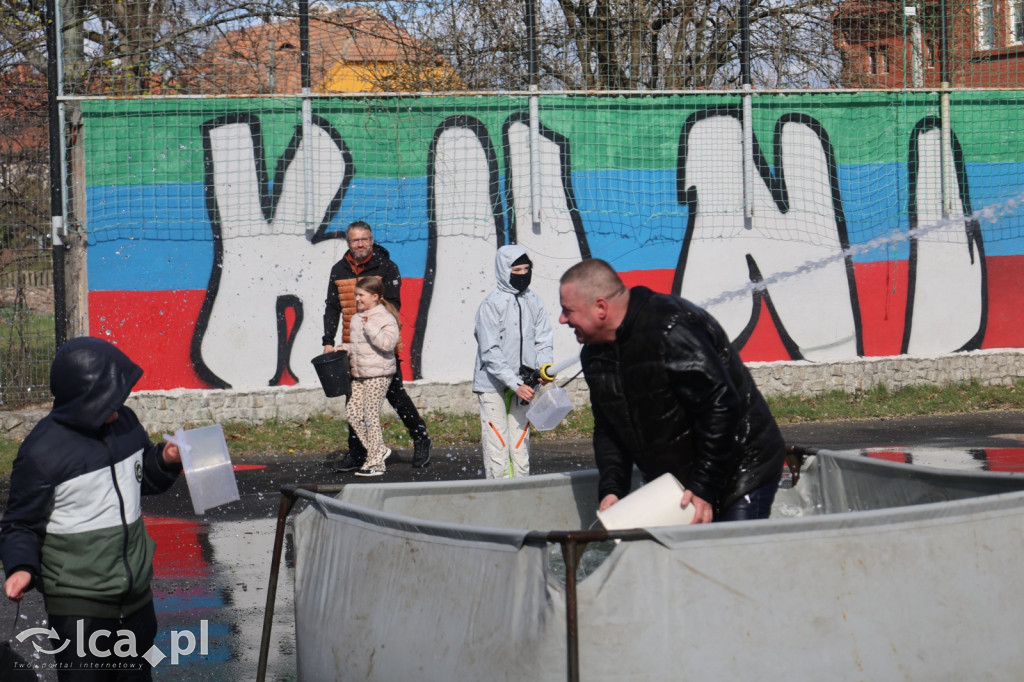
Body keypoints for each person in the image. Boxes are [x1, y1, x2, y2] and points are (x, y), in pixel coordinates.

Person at [0, 337, 183, 680]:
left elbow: (143, 478)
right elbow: (20, 524)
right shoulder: (42, 454)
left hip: (136, 599)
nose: (119, 406)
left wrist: (165, 460)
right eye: (108, 399)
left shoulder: (125, 425)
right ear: (83, 401)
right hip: (79, 605)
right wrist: (21, 566)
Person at [558, 259, 786, 523]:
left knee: (731, 558)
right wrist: (612, 489)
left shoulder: (672, 328)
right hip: (680, 478)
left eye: (568, 310)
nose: (562, 319)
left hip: (744, 467)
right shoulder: (594, 355)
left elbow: (720, 407)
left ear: (600, 307)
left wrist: (703, 486)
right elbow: (608, 428)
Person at [322, 221, 432, 470]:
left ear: (372, 240)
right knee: (353, 400)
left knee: (395, 395)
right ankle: (358, 452)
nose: (360, 243)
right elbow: (332, 306)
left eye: (365, 239)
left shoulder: (387, 267)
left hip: (381, 346)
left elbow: (392, 307)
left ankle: (421, 438)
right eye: (355, 240)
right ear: (348, 243)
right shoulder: (338, 270)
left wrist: (376, 332)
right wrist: (328, 341)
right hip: (352, 346)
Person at [473, 245, 554, 478]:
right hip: (493, 385)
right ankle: (498, 497)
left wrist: (544, 367)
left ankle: (522, 494)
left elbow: (544, 339)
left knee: (520, 445)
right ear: (503, 270)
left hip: (525, 384)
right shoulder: (491, 304)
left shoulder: (535, 301)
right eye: (516, 269)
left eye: (526, 269)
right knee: (497, 446)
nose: (522, 274)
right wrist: (514, 384)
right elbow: (489, 351)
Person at [326, 276, 401, 477]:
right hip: (359, 374)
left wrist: (371, 327)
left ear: (375, 297)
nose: (357, 299)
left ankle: (376, 464)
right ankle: (379, 451)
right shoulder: (358, 317)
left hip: (378, 373)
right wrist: (344, 348)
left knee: (370, 415)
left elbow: (387, 344)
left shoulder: (385, 318)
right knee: (352, 412)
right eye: (356, 295)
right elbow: (361, 346)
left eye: (361, 295)